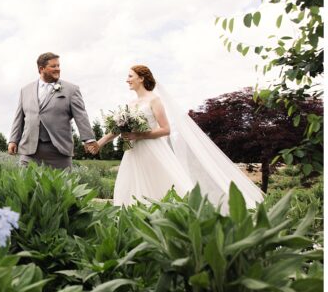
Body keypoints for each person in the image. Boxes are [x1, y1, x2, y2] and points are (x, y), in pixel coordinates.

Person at [96, 65, 265, 209]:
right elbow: (118, 129)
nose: (127, 80)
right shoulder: (131, 104)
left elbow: (165, 129)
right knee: (129, 187)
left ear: (141, 78)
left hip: (152, 151)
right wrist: (100, 143)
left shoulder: (154, 100)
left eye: (130, 76)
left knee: (161, 185)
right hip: (133, 153)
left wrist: (138, 134)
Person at [8, 52, 99, 169]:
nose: (58, 69)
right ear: (41, 69)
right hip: (29, 150)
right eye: (53, 66)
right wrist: (13, 140)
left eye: (58, 66)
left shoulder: (71, 90)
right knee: (25, 185)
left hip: (59, 151)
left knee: (61, 187)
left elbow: (81, 116)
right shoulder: (25, 90)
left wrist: (89, 139)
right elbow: (19, 118)